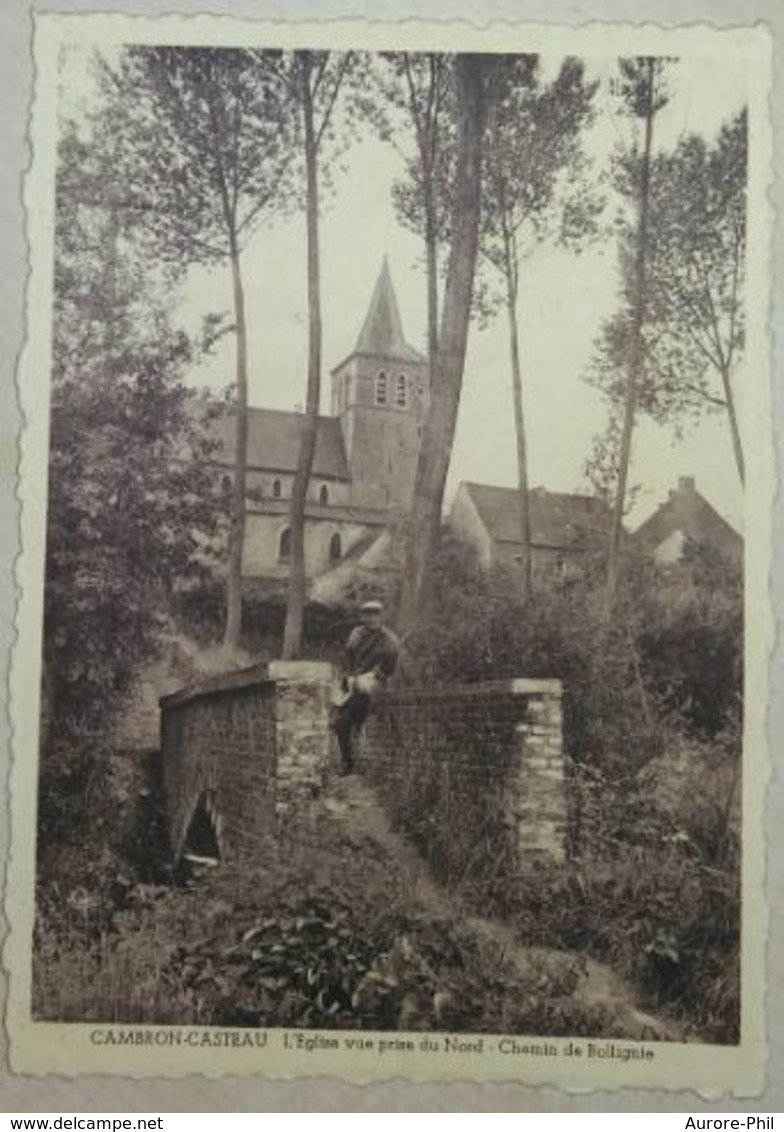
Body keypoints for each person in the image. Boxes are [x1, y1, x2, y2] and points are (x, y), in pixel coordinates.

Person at [331, 599, 399, 775]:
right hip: (355, 683)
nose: (372, 619)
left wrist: (373, 677)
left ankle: (348, 764)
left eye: (375, 614)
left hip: (373, 686)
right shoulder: (356, 635)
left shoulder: (388, 639)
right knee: (339, 721)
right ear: (363, 617)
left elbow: (389, 669)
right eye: (368, 614)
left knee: (344, 721)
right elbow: (348, 658)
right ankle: (347, 760)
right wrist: (349, 677)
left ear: (381, 616)